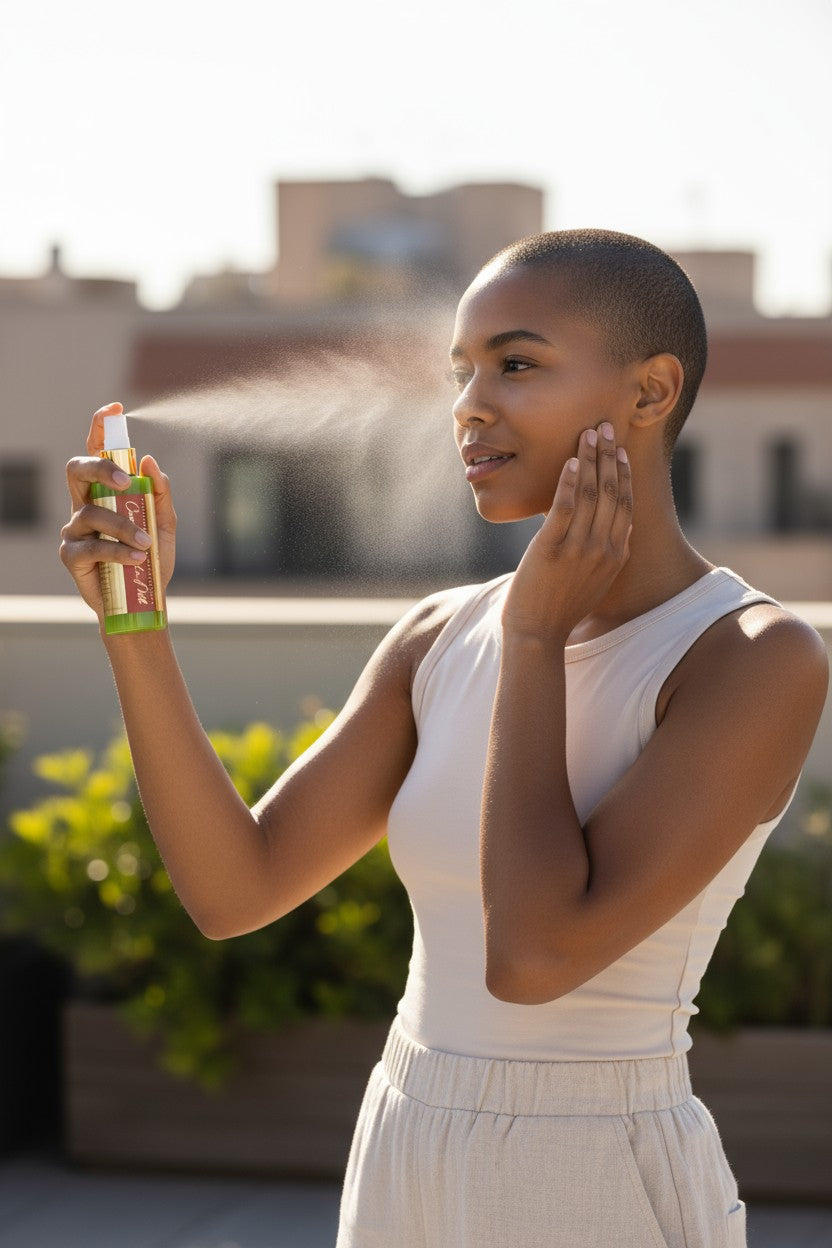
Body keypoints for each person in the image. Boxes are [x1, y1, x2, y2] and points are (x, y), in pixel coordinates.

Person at [61, 229, 828, 1248]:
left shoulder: (751, 656)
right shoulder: (436, 634)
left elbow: (533, 954)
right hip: (403, 1139)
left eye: (516, 365)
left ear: (649, 394)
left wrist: (537, 636)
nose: (469, 405)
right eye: (460, 371)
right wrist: (136, 625)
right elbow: (234, 891)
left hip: (591, 1171)